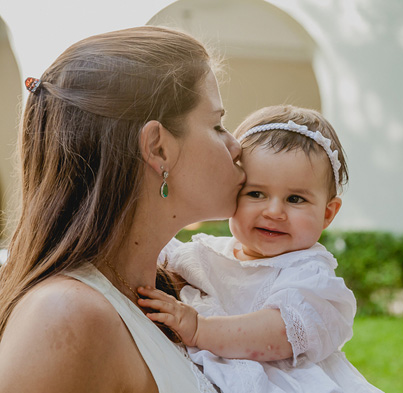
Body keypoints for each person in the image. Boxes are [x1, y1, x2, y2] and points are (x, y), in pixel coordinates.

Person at [0, 26, 241, 392]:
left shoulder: (176, 291)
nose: (236, 145)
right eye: (218, 125)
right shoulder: (66, 315)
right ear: (158, 149)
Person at [137, 105, 382, 392]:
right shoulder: (209, 253)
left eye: (295, 199)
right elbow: (160, 254)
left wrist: (200, 330)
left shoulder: (310, 274)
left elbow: (281, 332)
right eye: (256, 193)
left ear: (328, 213)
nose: (275, 211)